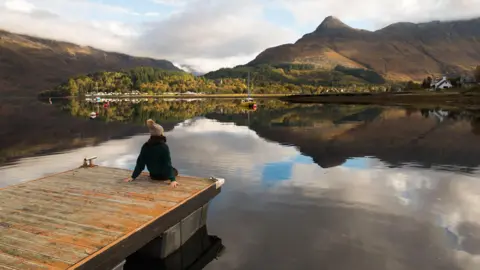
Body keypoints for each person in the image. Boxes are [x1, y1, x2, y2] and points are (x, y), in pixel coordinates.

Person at [124, 119, 179, 187]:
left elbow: (140, 164)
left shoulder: (145, 146)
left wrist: (133, 177)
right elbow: (167, 164)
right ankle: (171, 177)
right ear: (161, 134)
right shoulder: (164, 147)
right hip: (164, 177)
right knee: (175, 171)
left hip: (153, 176)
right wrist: (173, 180)